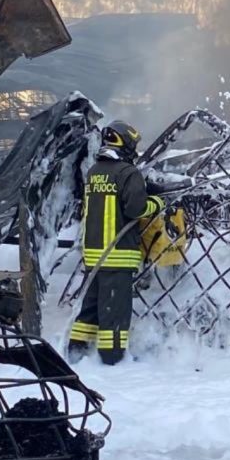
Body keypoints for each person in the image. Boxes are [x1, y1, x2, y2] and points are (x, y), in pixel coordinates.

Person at [68, 121, 163, 364]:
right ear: (127, 144)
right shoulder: (127, 173)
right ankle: (112, 359)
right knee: (115, 311)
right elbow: (136, 208)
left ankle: (76, 351)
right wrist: (157, 203)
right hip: (117, 254)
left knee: (91, 305)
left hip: (93, 254)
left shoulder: (94, 172)